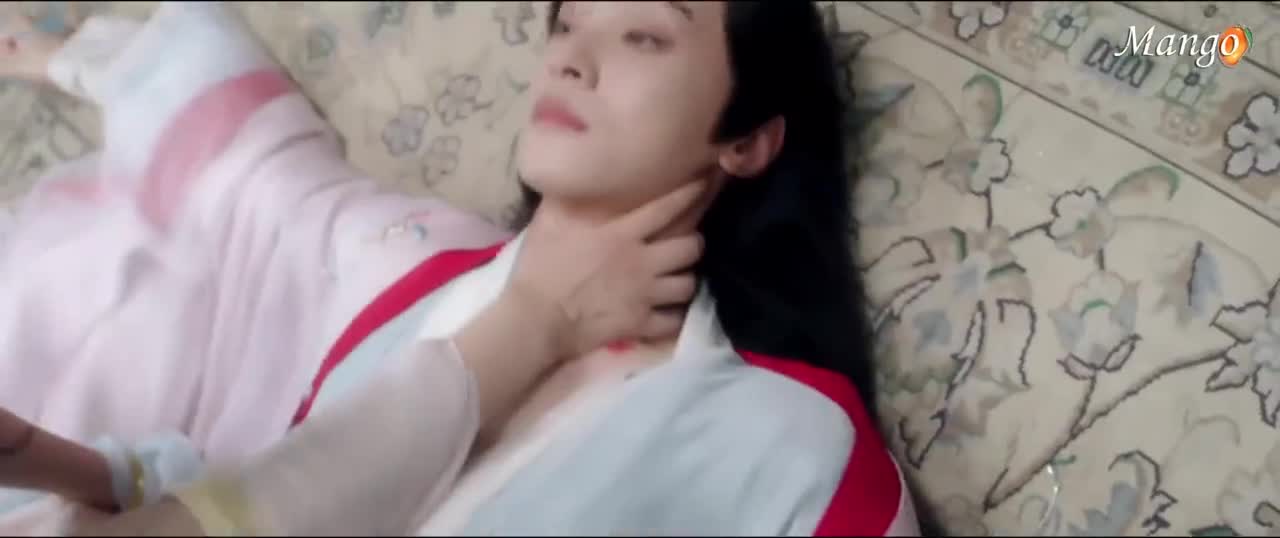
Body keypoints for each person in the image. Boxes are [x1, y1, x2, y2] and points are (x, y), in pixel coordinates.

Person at [0, 1, 920, 535]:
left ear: (748, 140)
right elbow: (266, 196)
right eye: (568, 21)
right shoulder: (420, 288)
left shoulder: (793, 444)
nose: (570, 58)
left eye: (643, 35)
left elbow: (271, 186)